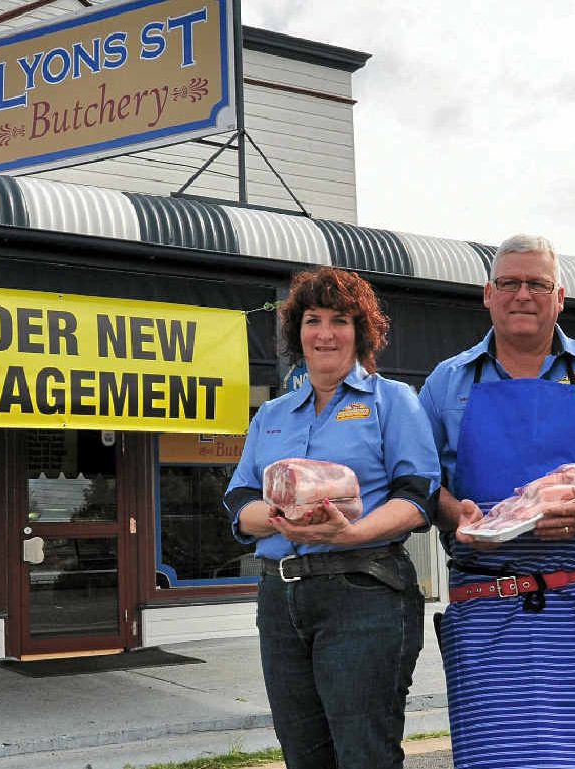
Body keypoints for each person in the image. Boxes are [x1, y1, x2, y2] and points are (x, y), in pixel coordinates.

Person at [418, 234, 575, 769]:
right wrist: (454, 511)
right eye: (509, 283)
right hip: (487, 603)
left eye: (537, 283)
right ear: (488, 295)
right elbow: (420, 481)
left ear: (559, 297)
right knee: (504, 758)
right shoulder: (447, 381)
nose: (522, 295)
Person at [223, 266, 440, 769]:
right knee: (302, 754)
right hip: (280, 599)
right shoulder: (272, 415)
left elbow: (418, 498)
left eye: (340, 320)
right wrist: (279, 517)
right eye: (312, 320)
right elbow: (239, 502)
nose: (325, 333)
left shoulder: (393, 403)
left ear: (361, 331)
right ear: (297, 333)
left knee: (363, 753)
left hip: (362, 592)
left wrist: (351, 531)